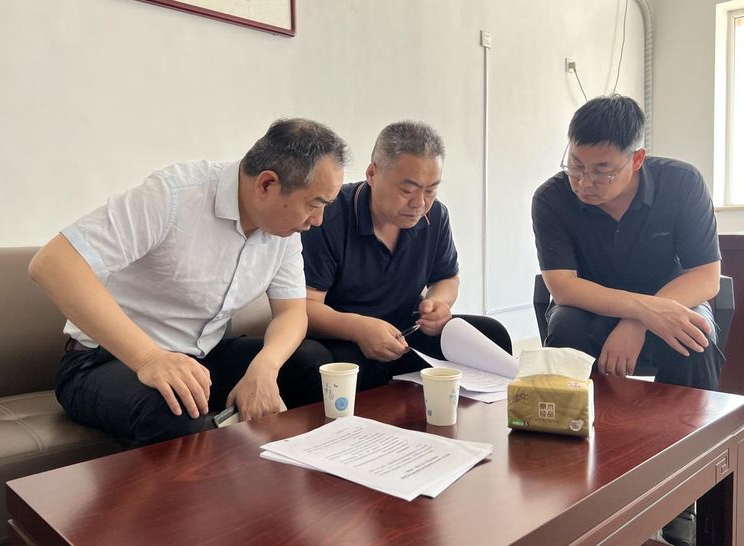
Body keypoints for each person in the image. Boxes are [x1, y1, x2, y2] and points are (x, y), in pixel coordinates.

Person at [29, 118, 348, 445]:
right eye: (314, 204)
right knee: (175, 405)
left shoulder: (283, 230)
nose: (318, 220)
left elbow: (291, 312)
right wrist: (150, 359)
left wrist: (265, 367)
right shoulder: (174, 196)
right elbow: (53, 263)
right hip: (105, 362)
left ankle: (288, 469)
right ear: (266, 184)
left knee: (311, 361)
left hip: (199, 359)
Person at [531, 95, 723, 546]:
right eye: (575, 165)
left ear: (636, 159)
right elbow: (564, 287)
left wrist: (641, 320)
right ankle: (579, 473)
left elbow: (706, 277)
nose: (584, 182)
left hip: (672, 303)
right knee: (566, 327)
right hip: (590, 310)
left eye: (602, 170)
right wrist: (638, 312)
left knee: (693, 337)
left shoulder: (682, 183)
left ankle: (685, 495)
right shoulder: (551, 198)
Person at [300, 120, 511, 391]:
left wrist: (437, 304)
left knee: (492, 335)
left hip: (406, 331)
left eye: (430, 190)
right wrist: (358, 328)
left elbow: (447, 278)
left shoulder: (435, 216)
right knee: (350, 369)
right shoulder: (328, 216)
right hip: (344, 336)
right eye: (407, 190)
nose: (419, 204)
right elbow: (306, 306)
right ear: (372, 174)